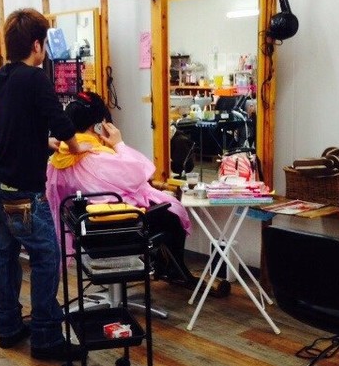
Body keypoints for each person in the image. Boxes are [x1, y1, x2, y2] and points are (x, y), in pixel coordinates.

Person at [47, 92, 229, 295]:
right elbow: (138, 173)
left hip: (87, 227)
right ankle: (176, 272)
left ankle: (168, 268)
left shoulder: (60, 156)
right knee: (173, 212)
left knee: (164, 206)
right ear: (97, 126)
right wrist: (118, 143)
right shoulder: (95, 155)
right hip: (114, 227)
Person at [0, 8, 90, 361]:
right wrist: (76, 147)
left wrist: (44, 143)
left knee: (4, 256)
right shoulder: (35, 78)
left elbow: (14, 126)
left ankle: (8, 327)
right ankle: (45, 337)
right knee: (47, 256)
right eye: (44, 42)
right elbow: (60, 122)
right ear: (36, 44)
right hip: (22, 192)